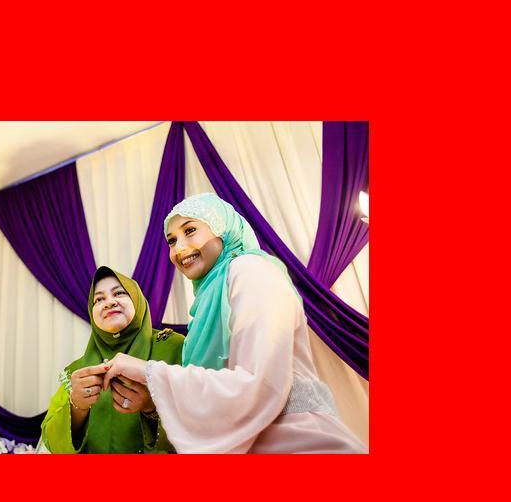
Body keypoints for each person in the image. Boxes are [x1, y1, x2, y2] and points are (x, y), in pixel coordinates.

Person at [102, 193, 366, 454]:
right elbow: (218, 400)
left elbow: (259, 383)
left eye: (190, 230)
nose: (179, 249)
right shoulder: (207, 304)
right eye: (171, 241)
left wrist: (147, 371)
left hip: (299, 442)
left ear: (223, 229)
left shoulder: (250, 270)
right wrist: (150, 403)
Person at [40, 266, 183, 453]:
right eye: (99, 299)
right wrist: (77, 407)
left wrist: (151, 407)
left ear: (137, 300)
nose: (109, 303)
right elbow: (52, 443)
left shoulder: (173, 348)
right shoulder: (77, 371)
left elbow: (204, 421)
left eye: (119, 293)